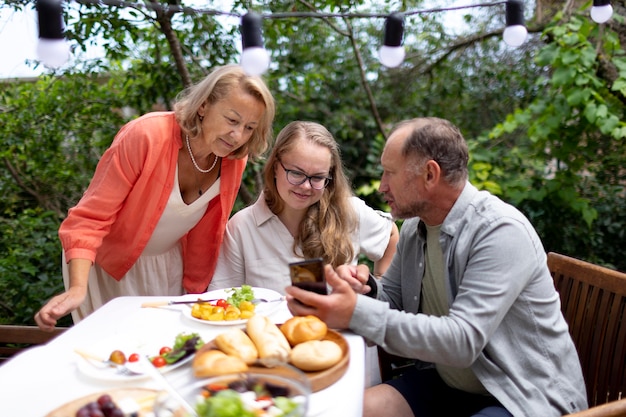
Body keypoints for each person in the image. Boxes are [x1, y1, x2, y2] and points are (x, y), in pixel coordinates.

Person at [285, 117, 588, 417]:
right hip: (449, 383)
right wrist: (362, 290)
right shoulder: (416, 227)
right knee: (349, 410)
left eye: (390, 173)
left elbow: (462, 341)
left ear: (430, 174)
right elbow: (392, 298)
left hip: (520, 395)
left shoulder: (500, 231)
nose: (381, 186)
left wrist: (355, 312)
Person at [35, 64, 276, 330]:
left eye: (249, 128)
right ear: (204, 106)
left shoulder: (232, 160)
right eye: (232, 120)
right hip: (106, 267)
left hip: (166, 265)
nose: (238, 136)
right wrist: (77, 289)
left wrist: (194, 295)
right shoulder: (145, 136)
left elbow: (205, 236)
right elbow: (89, 219)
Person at [209, 120, 399, 294]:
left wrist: (382, 283)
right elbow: (226, 299)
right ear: (276, 167)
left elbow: (391, 233)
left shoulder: (349, 212)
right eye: (296, 173)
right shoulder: (242, 227)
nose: (306, 186)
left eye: (317, 177)